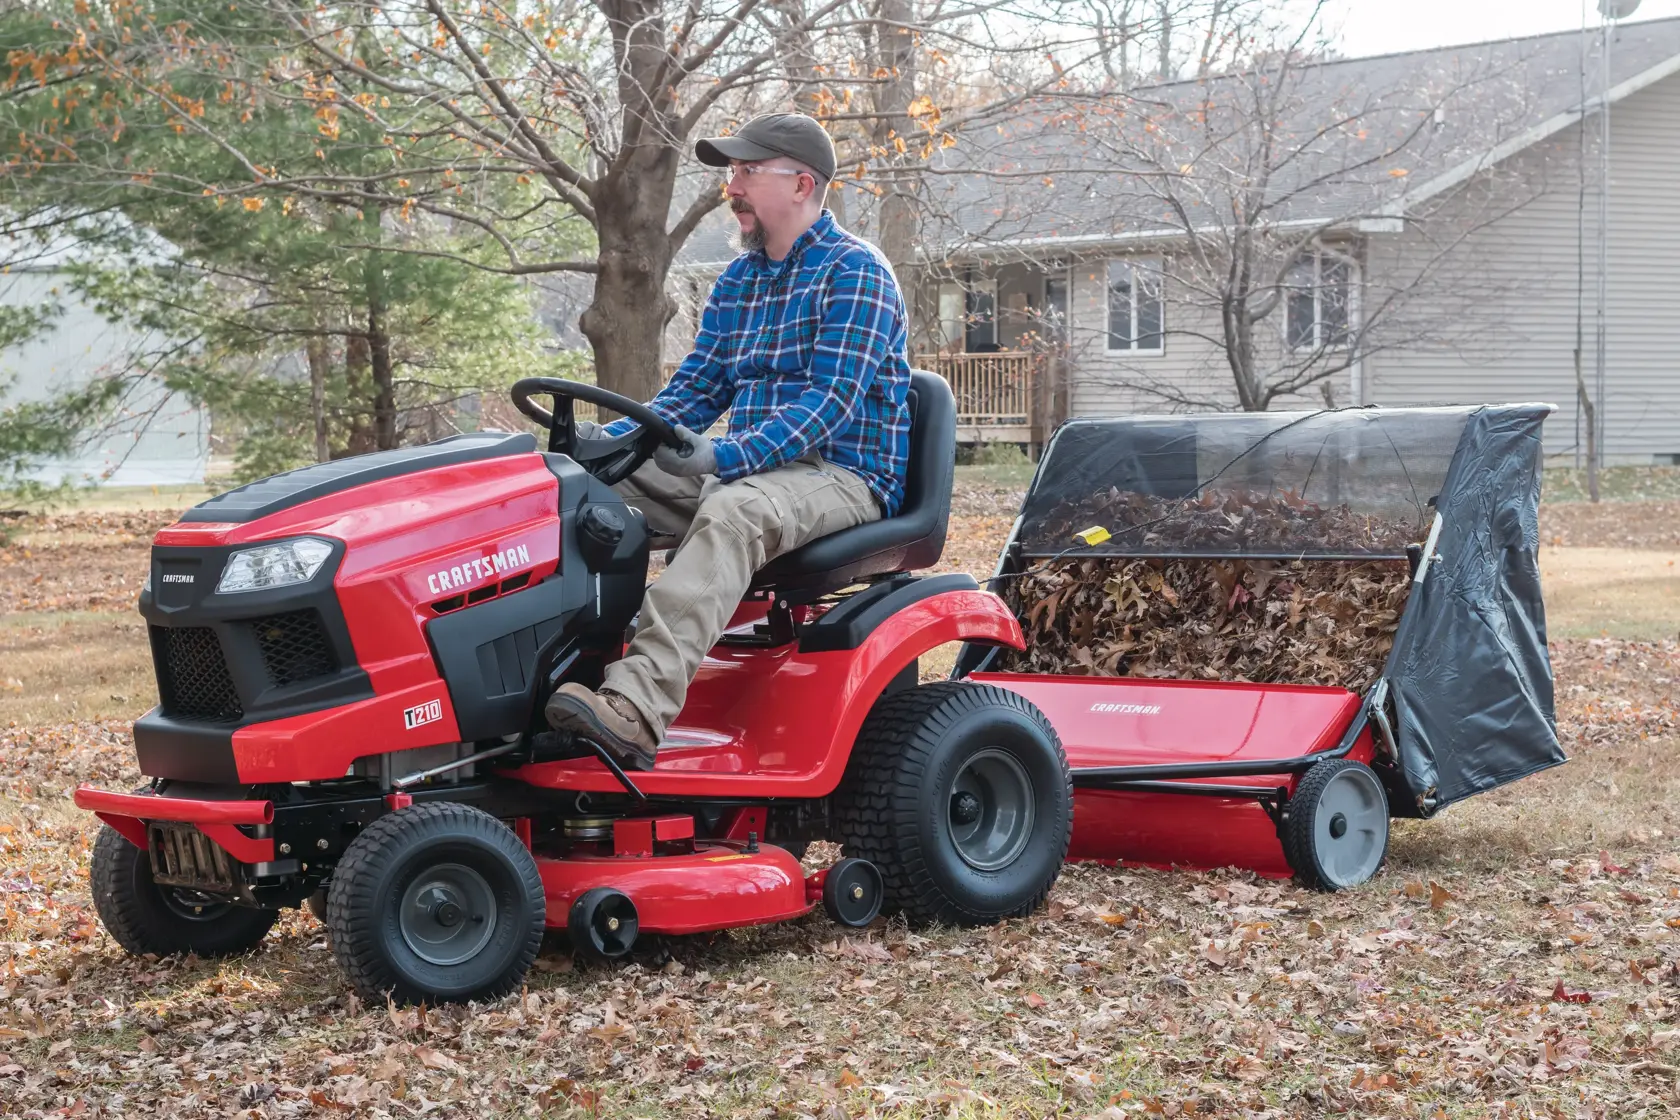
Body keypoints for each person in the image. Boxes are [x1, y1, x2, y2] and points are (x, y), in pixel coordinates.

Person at [543, 111, 913, 771]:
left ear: (801, 184)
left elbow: (829, 402)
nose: (730, 187)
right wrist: (610, 444)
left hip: (842, 473)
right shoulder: (739, 282)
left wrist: (726, 457)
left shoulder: (857, 273)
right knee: (572, 489)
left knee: (733, 510)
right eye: (730, 172)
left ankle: (633, 711)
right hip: (754, 469)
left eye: (745, 171)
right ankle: (542, 680)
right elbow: (694, 392)